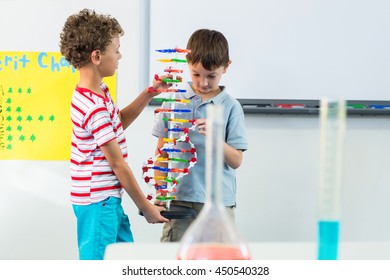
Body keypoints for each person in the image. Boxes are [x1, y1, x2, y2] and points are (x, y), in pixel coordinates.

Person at [59, 8, 169, 260]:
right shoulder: (93, 107)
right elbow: (118, 164)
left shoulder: (98, 91)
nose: (120, 55)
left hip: (108, 199)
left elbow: (116, 123)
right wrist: (146, 207)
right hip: (99, 202)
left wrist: (149, 93)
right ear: (97, 56)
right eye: (116, 50)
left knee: (123, 262)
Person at [152, 29, 248, 242]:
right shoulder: (175, 101)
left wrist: (215, 139)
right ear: (187, 63)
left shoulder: (231, 107)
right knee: (175, 262)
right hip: (180, 202)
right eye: (196, 74)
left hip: (219, 205)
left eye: (211, 76)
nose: (203, 82)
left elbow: (236, 160)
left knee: (219, 262)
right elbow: (161, 154)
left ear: (226, 67)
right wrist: (160, 193)